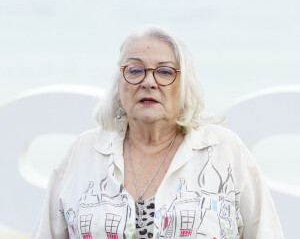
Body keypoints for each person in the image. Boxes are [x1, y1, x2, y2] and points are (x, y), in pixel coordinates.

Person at [32, 26, 284, 239]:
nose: (148, 82)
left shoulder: (224, 151)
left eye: (164, 72)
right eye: (134, 70)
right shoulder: (83, 153)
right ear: (119, 87)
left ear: (185, 86)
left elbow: (266, 232)